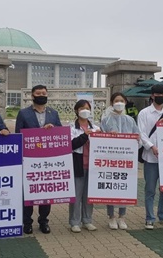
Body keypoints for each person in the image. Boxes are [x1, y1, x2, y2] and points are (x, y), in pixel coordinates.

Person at [15, 85, 62, 234]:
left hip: (48, 159)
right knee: (28, 192)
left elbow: (60, 133)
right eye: (38, 93)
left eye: (44, 93)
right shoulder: (23, 113)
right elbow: (18, 134)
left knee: (45, 192)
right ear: (32, 96)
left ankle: (43, 221)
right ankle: (27, 222)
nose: (41, 95)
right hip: (29, 159)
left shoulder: (53, 113)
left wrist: (52, 129)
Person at [137, 84, 163, 229]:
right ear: (152, 95)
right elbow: (141, 134)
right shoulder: (144, 113)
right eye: (158, 94)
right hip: (150, 158)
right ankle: (149, 217)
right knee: (150, 189)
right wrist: (151, 146)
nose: (161, 96)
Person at [100, 92, 140, 230]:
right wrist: (109, 136)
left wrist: (134, 140)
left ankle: (122, 216)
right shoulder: (105, 120)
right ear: (111, 103)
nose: (119, 103)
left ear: (125, 102)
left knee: (124, 187)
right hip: (111, 160)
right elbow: (101, 141)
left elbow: (138, 139)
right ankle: (111, 216)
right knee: (111, 187)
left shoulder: (130, 120)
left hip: (126, 160)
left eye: (121, 100)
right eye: (116, 101)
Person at [69, 100, 100, 233]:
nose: (85, 110)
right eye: (82, 108)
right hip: (78, 163)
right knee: (76, 194)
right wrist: (84, 135)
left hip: (93, 165)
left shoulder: (96, 127)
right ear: (76, 110)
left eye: (87, 108)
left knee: (89, 194)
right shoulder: (71, 127)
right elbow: (71, 144)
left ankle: (87, 220)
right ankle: (74, 222)